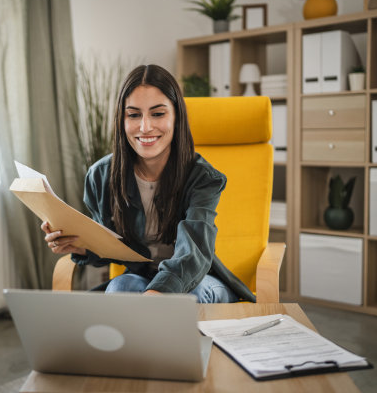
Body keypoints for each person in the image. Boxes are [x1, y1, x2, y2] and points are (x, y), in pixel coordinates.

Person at [41, 64, 254, 303]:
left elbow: (194, 254)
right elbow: (111, 245)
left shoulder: (203, 178)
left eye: (158, 113)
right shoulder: (101, 175)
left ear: (176, 116)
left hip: (200, 280)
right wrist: (81, 246)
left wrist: (156, 295)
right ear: (122, 120)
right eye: (133, 115)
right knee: (121, 286)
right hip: (142, 277)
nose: (145, 127)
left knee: (186, 296)